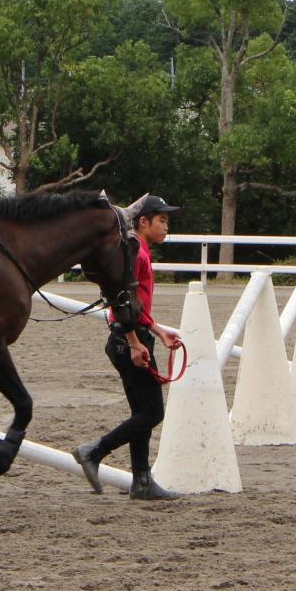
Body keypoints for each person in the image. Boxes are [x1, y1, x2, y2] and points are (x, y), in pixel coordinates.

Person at [73, 196, 185, 501]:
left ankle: (142, 480)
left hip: (129, 336)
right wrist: (136, 342)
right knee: (152, 412)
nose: (166, 226)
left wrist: (157, 330)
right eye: (161, 220)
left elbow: (137, 307)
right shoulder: (136, 254)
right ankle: (94, 451)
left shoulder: (139, 250)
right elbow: (120, 304)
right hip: (129, 339)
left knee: (142, 412)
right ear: (143, 221)